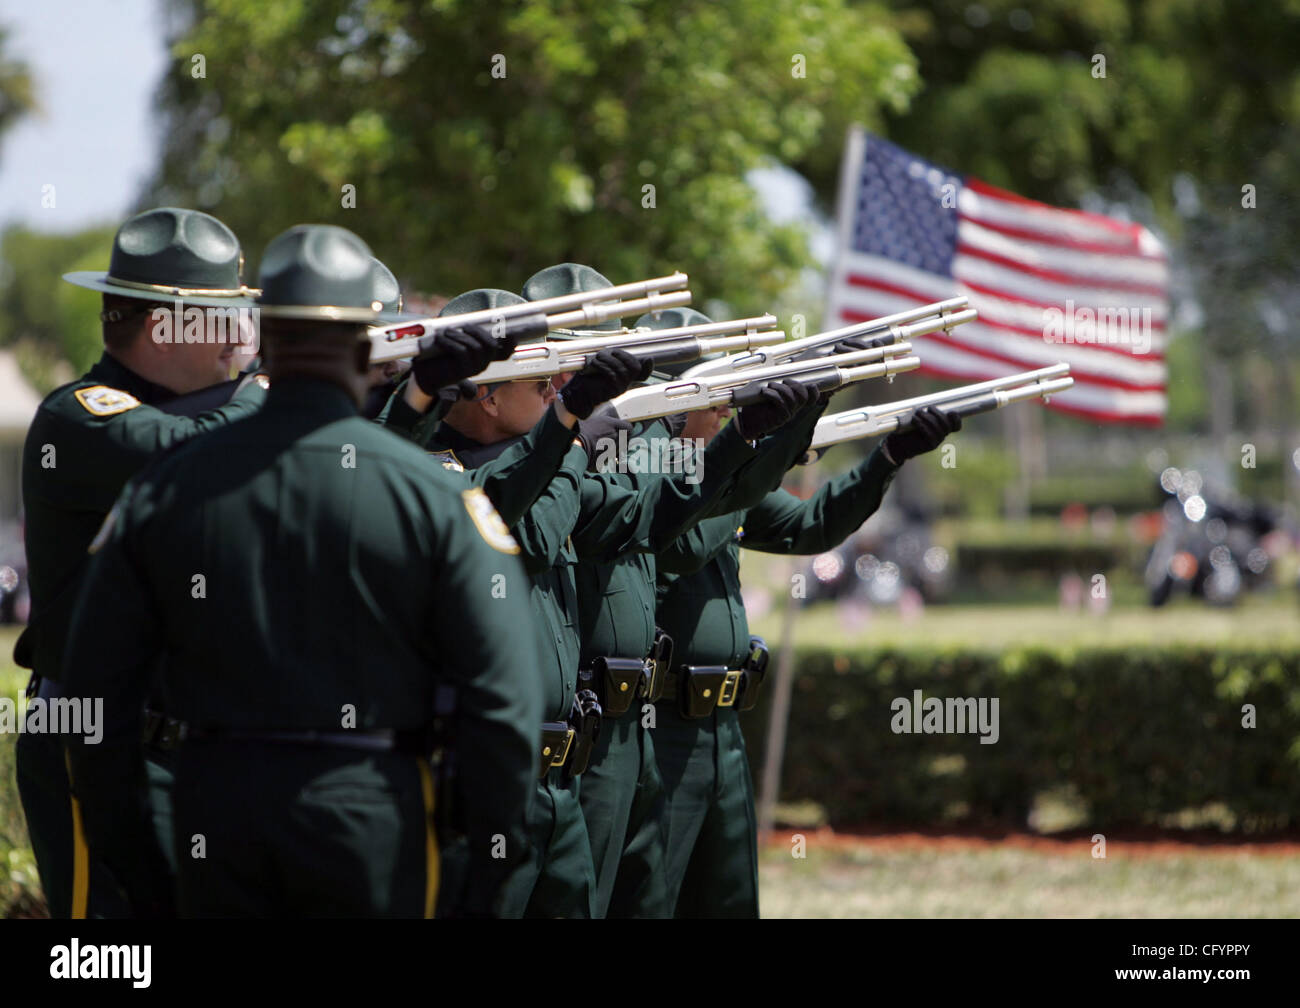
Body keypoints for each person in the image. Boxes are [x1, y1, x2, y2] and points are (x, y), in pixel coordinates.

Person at [60, 224, 542, 918]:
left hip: (214, 820)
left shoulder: (165, 491)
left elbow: (93, 700)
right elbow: (503, 708)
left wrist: (141, 865)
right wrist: (489, 873)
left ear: (263, 335)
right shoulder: (436, 495)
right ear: (367, 344)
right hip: (374, 818)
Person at [651, 315, 963, 917]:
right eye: (717, 399)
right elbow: (687, 535)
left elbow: (808, 525)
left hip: (721, 727)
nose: (726, 412)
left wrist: (887, 456)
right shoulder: (643, 484)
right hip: (659, 725)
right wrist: (781, 436)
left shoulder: (719, 480)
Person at [14, 206, 266, 918]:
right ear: (165, 328)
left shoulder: (223, 418)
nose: (242, 341)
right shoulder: (80, 415)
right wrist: (281, 389)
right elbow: (184, 456)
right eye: (225, 322)